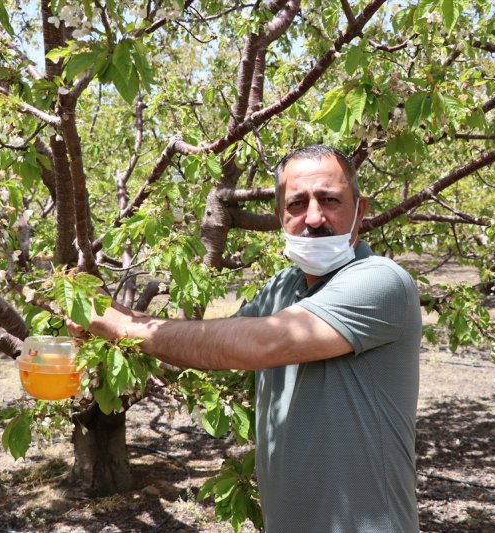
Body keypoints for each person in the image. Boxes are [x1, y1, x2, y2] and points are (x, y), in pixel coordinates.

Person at [76, 145, 422, 532]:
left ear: (360, 211)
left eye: (330, 200)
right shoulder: (283, 286)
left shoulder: (380, 281)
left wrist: (119, 326)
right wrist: (108, 318)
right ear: (279, 217)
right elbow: (211, 347)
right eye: (296, 204)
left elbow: (257, 344)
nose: (313, 217)